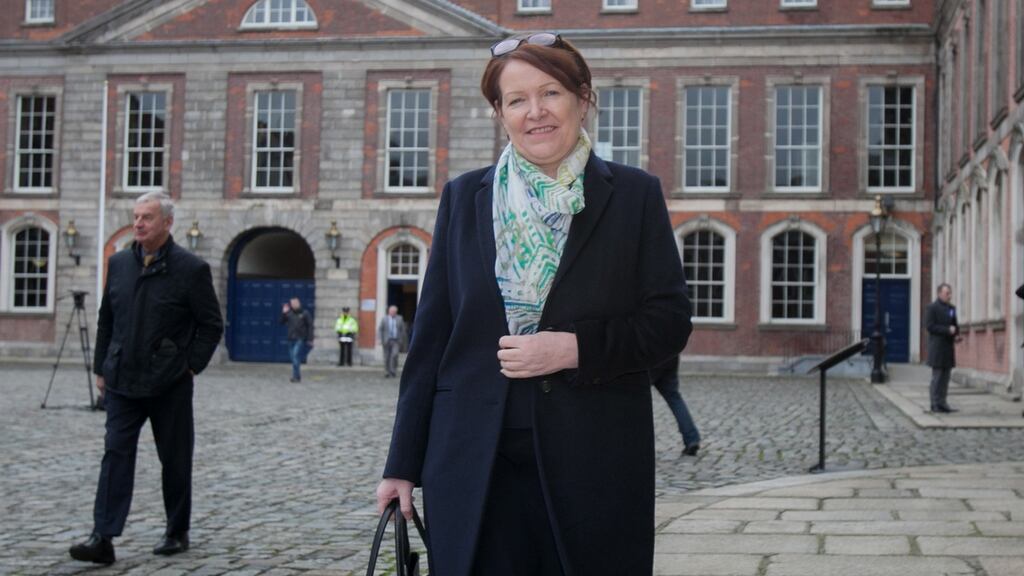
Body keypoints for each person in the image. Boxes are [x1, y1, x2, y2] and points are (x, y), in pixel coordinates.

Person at [375, 33, 692, 576]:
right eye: (516, 100)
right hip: (472, 457)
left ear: (583, 98)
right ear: (499, 113)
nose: (535, 112)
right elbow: (431, 339)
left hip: (593, 457)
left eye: (551, 93)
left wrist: (573, 348)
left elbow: (668, 322)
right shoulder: (464, 196)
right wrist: (401, 464)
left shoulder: (634, 195)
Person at [69, 192, 223, 565]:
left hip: (169, 383)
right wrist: (102, 368)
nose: (138, 223)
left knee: (174, 458)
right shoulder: (119, 263)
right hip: (122, 379)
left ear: (167, 223)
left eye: (147, 217)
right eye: (136, 216)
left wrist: (190, 366)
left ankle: (176, 530)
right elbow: (107, 319)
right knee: (115, 455)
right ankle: (102, 536)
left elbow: (211, 324)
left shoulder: (191, 269)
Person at [651, 355, 702, 456]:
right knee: (674, 398)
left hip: (648, 356)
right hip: (670, 356)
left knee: (635, 399)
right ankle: (691, 438)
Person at [925, 283, 960, 413]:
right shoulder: (932, 308)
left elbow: (955, 325)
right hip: (937, 347)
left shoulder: (952, 308)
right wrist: (947, 330)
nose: (949, 296)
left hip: (948, 347)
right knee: (937, 377)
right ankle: (934, 403)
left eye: (950, 293)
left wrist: (956, 334)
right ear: (939, 293)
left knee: (946, 377)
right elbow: (930, 326)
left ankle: (943, 402)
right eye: (947, 293)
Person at [280, 297, 313, 382]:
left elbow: (310, 326)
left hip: (300, 338)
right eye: (292, 303)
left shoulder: (305, 313)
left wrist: (310, 338)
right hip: (290, 338)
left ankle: (296, 376)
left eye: (295, 303)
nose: (294, 305)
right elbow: (281, 322)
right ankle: (297, 376)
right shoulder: (289, 313)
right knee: (294, 358)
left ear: (298, 303)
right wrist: (283, 313)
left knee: (295, 356)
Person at [377, 305, 407, 378]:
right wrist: (380, 339)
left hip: (396, 340)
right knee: (387, 357)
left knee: (394, 355)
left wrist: (403, 341)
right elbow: (380, 330)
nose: (393, 313)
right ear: (389, 311)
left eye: (394, 311)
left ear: (396, 312)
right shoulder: (384, 319)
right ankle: (387, 371)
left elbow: (403, 330)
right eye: (391, 311)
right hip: (386, 340)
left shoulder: (400, 318)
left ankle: (393, 370)